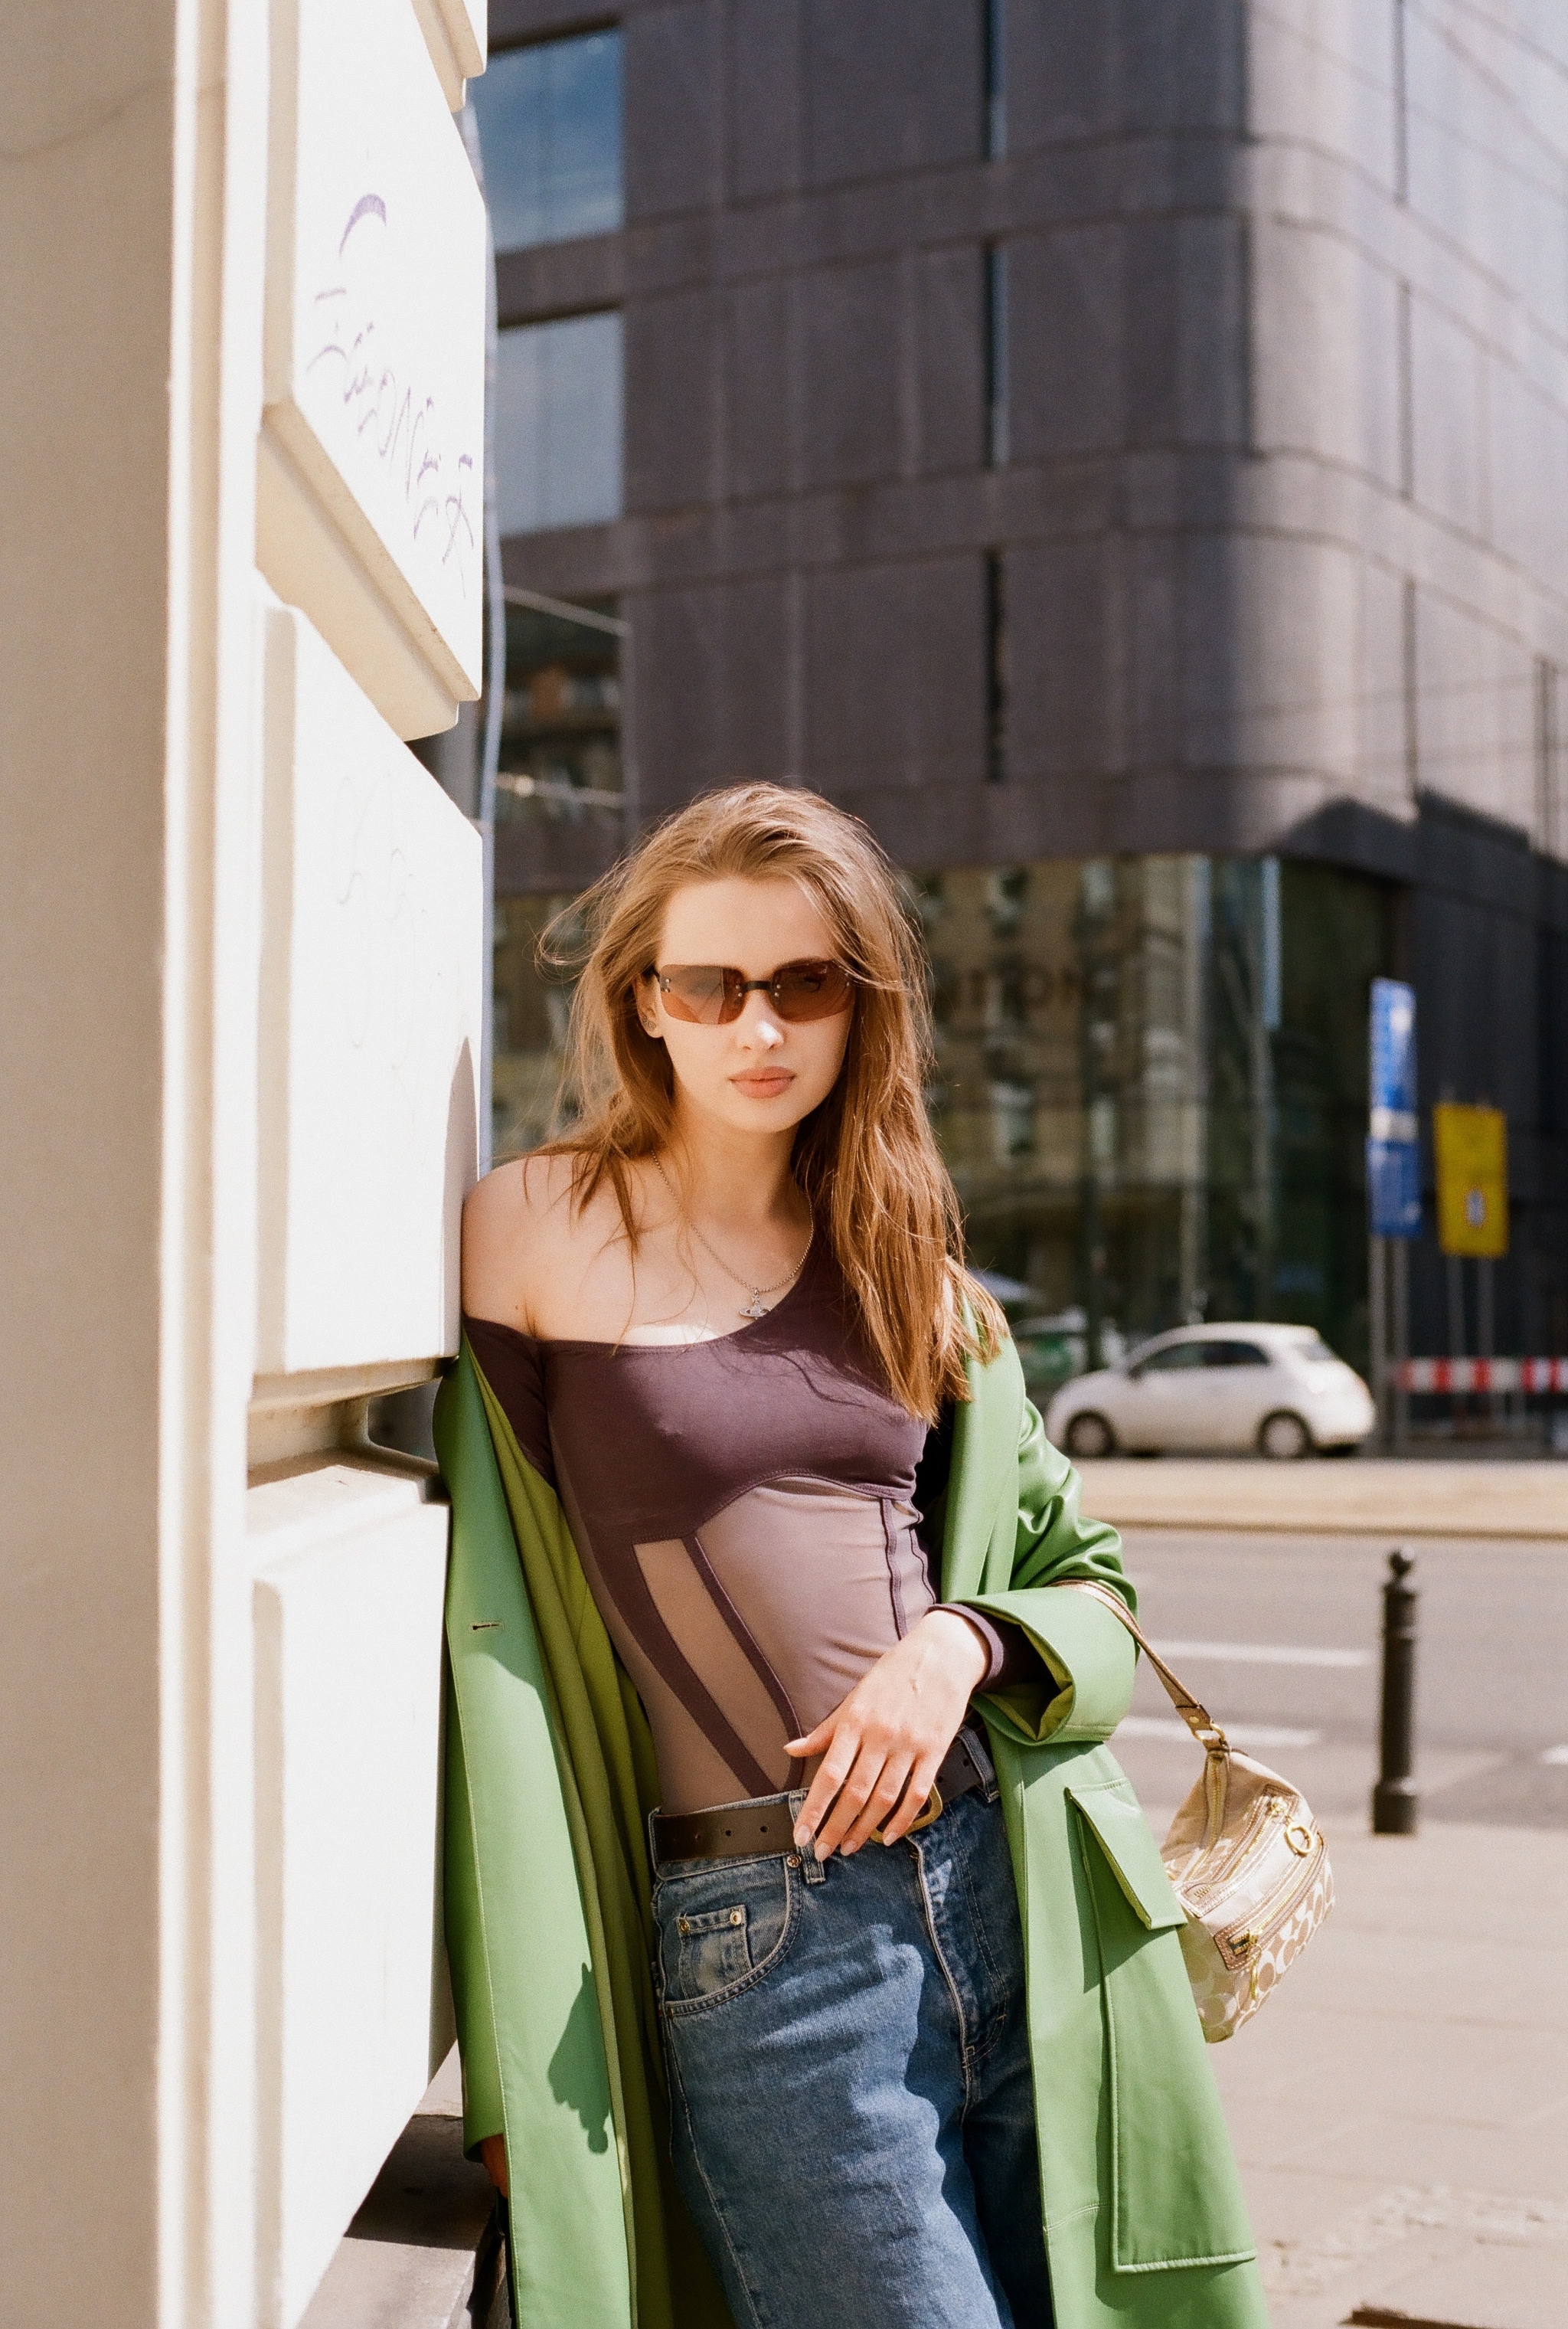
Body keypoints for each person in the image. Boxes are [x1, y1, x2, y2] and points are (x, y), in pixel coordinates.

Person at [439, 782, 1268, 2329]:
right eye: (713, 984)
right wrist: (505, 2055)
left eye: (805, 983)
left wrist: (953, 1646)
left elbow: (1088, 1581)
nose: (760, 1026)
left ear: (859, 1006)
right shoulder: (532, 1229)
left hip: (1004, 1880)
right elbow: (490, 1661)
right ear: (647, 1004)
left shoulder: (918, 1275)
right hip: (766, 1942)